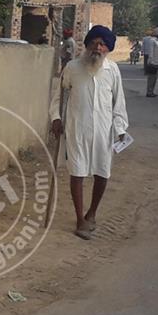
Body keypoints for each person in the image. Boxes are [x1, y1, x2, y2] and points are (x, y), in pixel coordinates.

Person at [49, 25, 128, 240]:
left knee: (103, 172)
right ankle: (79, 219)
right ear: (87, 45)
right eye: (94, 43)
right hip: (77, 128)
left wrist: (121, 129)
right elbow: (58, 96)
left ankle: (92, 212)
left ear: (108, 49)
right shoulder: (73, 68)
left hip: (104, 130)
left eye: (102, 45)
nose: (97, 47)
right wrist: (56, 118)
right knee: (78, 172)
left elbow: (118, 103)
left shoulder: (113, 71)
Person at [146, 27, 158, 97]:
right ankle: (149, 91)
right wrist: (150, 61)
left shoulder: (157, 41)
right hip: (153, 62)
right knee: (151, 78)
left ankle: (152, 91)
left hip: (157, 61)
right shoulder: (152, 41)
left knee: (154, 78)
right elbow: (151, 52)